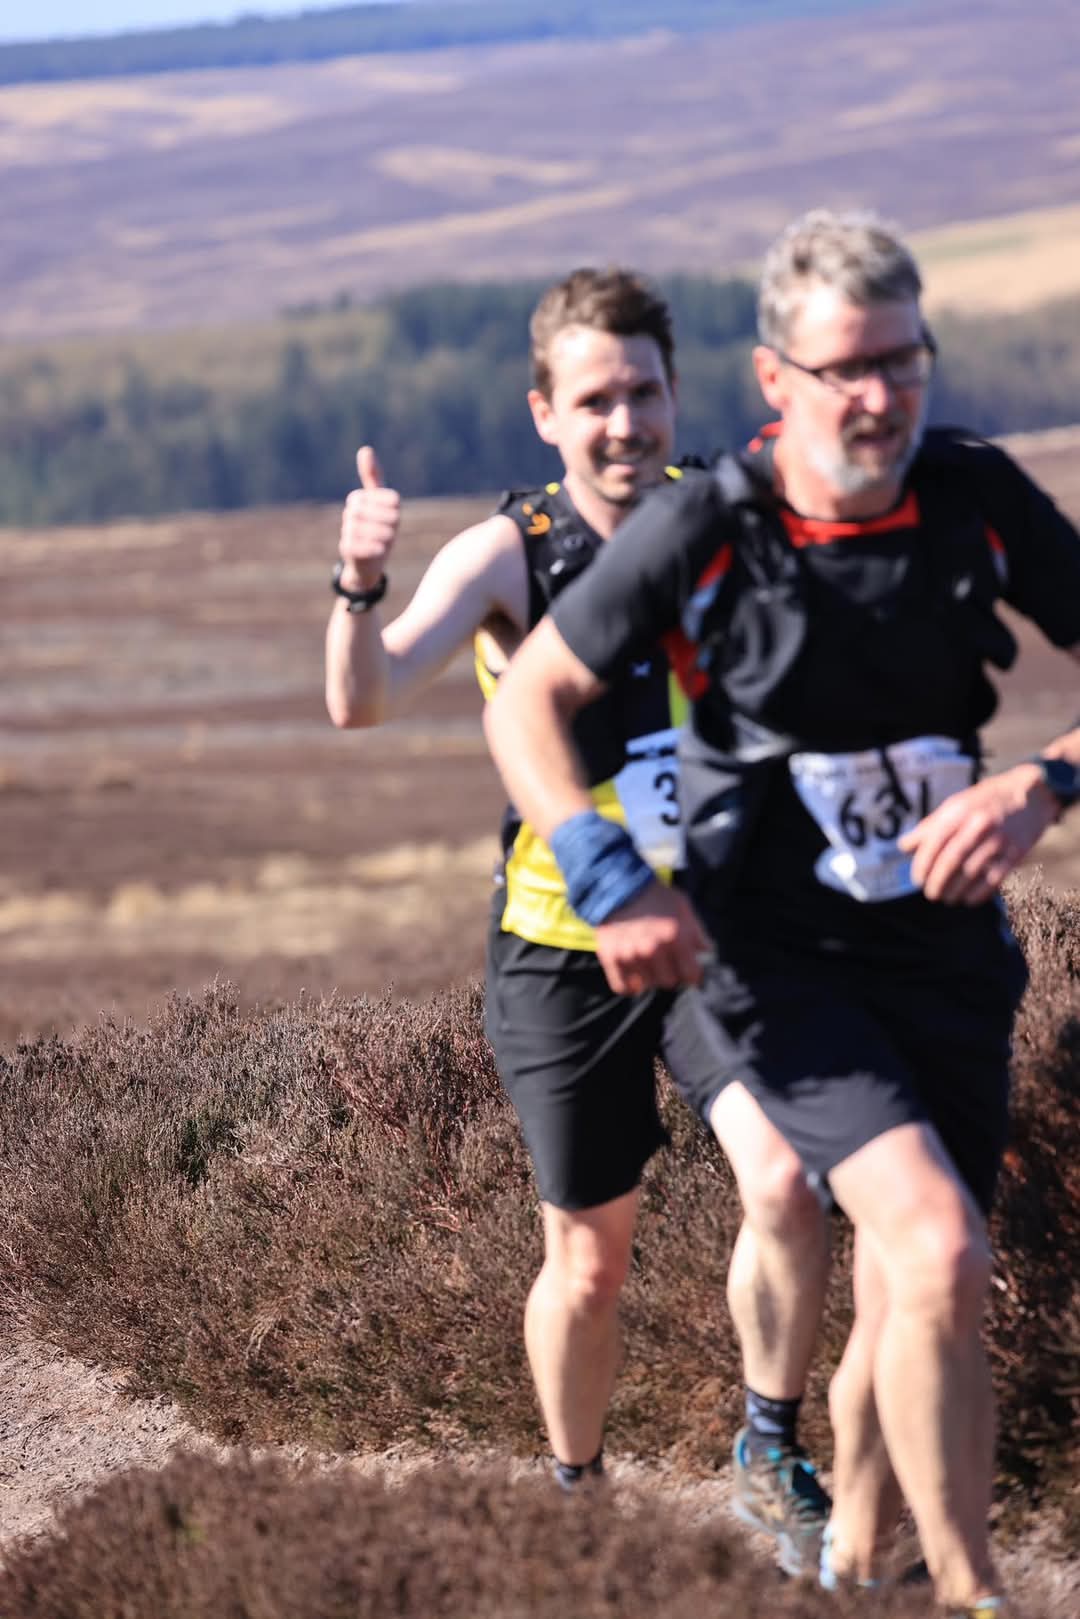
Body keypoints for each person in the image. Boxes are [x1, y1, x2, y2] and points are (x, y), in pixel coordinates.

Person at [482, 212, 1080, 1617]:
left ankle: (859, 1570)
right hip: (774, 964)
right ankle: (973, 1593)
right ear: (774, 379)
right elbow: (529, 701)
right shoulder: (710, 526)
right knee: (938, 1246)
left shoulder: (975, 494)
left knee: (915, 1286)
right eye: (844, 370)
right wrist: (608, 874)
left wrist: (1042, 785)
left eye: (902, 362)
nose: (878, 397)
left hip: (946, 955)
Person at [325, 267, 831, 1566]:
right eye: (595, 399)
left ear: (676, 395)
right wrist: (359, 583)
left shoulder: (726, 514)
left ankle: (770, 1452)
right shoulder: (509, 552)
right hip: (561, 949)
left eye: (644, 394)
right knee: (591, 1261)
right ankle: (576, 1497)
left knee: (787, 1178)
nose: (625, 423)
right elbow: (365, 699)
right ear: (545, 411)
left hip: (718, 931)